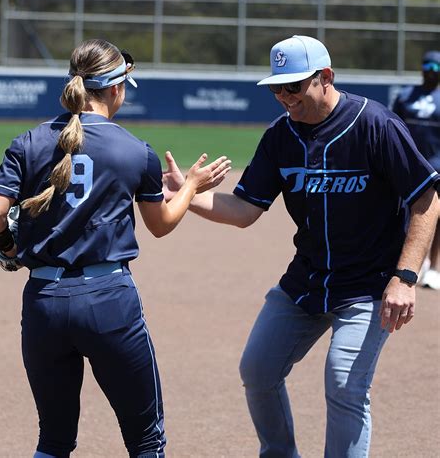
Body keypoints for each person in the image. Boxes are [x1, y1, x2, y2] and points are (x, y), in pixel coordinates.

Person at [163, 35, 439, 457]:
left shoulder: (375, 124)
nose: (283, 96)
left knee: (345, 383)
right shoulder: (281, 136)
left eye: (293, 86)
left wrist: (405, 277)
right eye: (276, 87)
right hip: (307, 279)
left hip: (368, 284)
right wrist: (188, 196)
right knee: (257, 370)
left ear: (325, 77)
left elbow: (427, 199)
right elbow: (244, 208)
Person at [0, 39, 231, 458]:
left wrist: (10, 248)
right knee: (145, 441)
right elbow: (162, 225)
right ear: (115, 88)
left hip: (43, 301)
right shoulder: (136, 150)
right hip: (108, 302)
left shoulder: (29, 142)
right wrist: (190, 186)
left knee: (54, 441)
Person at [392, 50, 440, 290]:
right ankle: (413, 262)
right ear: (422, 68)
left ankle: (433, 268)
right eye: (428, 65)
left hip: (438, 166)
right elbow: (393, 128)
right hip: (408, 166)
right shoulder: (405, 96)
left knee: (437, 216)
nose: (432, 70)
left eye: (437, 66)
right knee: (406, 214)